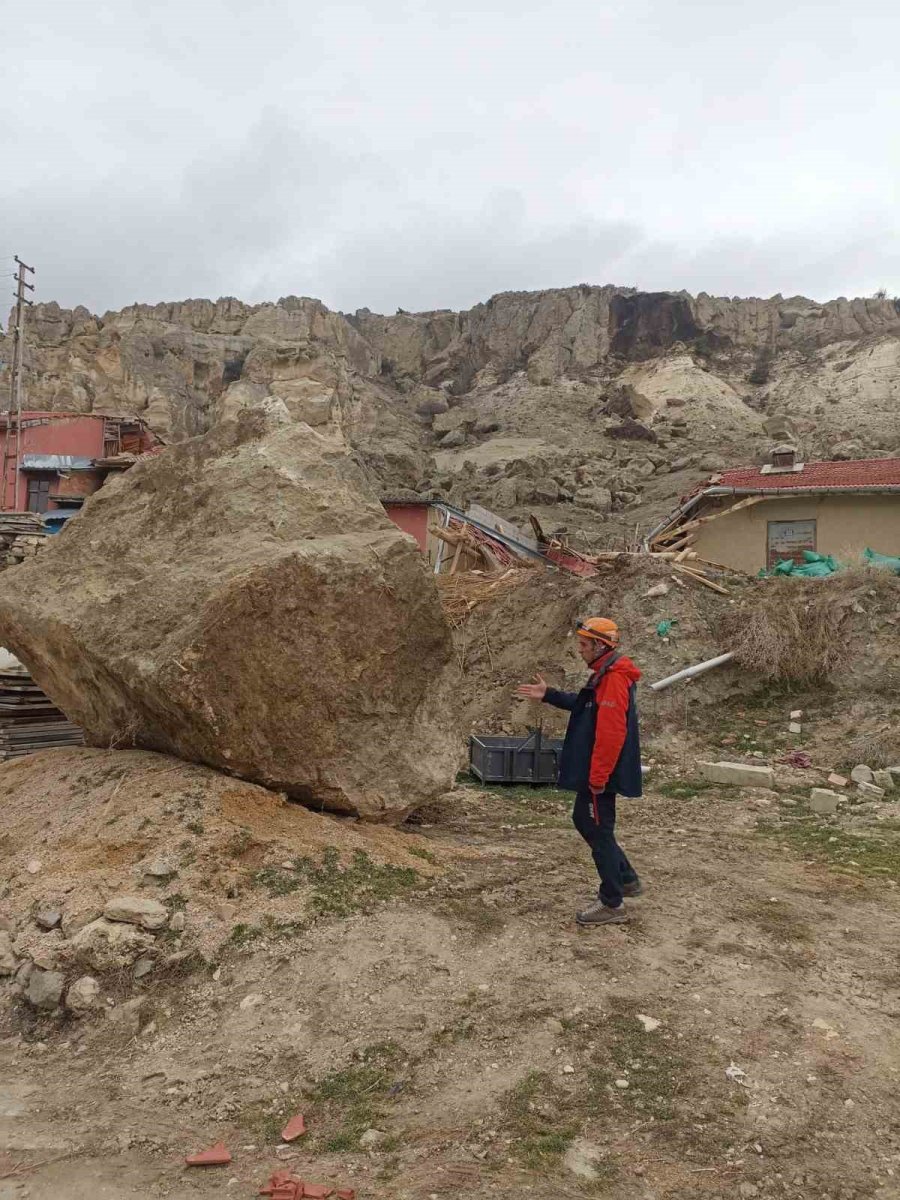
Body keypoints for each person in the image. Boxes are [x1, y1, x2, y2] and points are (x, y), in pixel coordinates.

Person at [516, 617, 642, 926]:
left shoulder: (613, 679)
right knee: (585, 821)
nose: (580, 650)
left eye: (584, 645)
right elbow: (585, 705)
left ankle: (612, 902)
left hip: (601, 774)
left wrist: (598, 779)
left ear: (601, 645)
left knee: (598, 829)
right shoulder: (604, 674)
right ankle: (625, 877)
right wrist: (550, 695)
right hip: (597, 771)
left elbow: (611, 735)